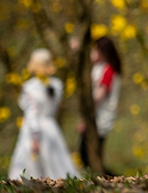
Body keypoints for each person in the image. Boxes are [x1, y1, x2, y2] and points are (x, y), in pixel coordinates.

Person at [8, 48, 82, 180]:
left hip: (35, 129)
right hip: (51, 127)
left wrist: (34, 136)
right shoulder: (57, 85)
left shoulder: (31, 87)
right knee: (54, 161)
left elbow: (32, 114)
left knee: (32, 164)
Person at [78, 36, 122, 174]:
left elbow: (99, 95)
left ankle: (113, 179)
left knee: (89, 156)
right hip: (98, 116)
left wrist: (86, 117)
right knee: (88, 156)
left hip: (100, 117)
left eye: (95, 50)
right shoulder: (100, 68)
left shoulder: (107, 70)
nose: (92, 53)